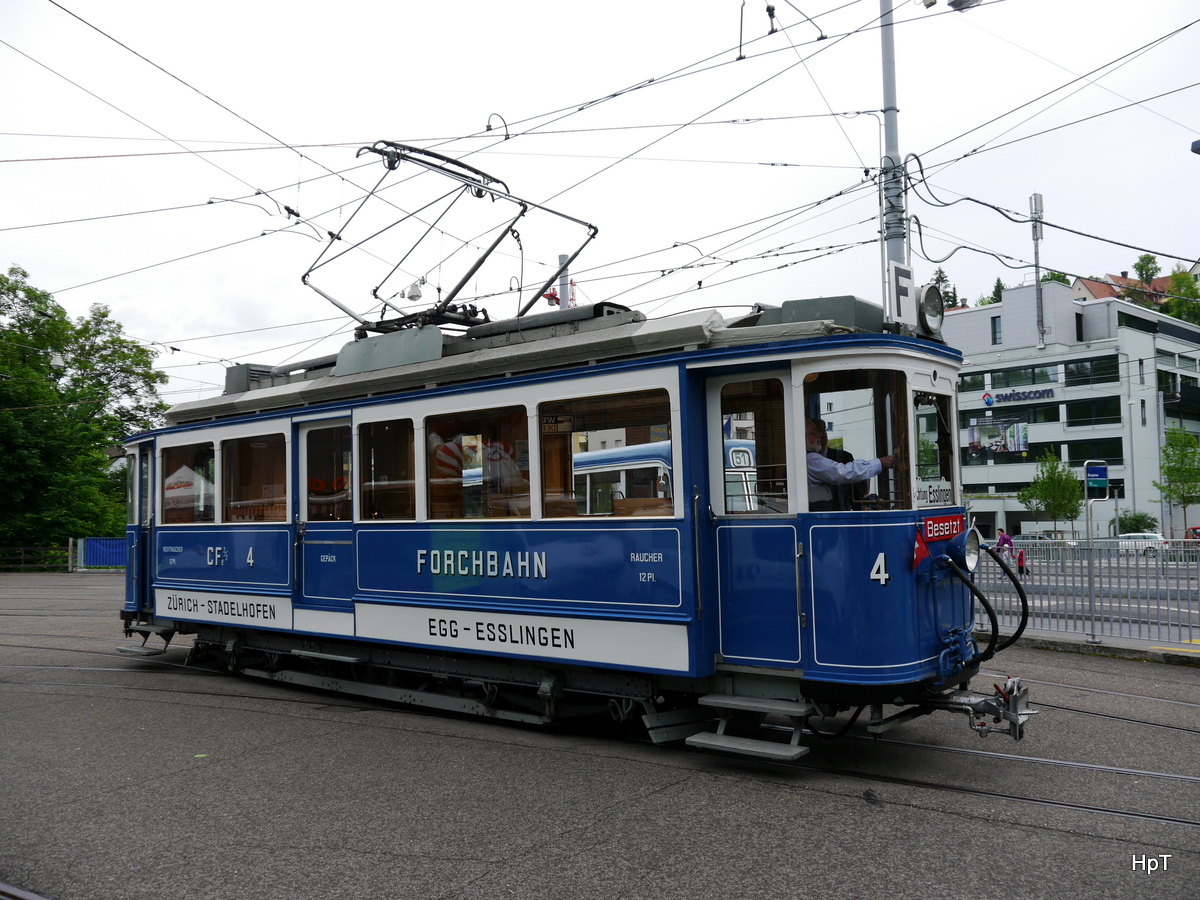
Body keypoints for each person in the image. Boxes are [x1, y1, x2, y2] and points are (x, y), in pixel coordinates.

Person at [805, 420, 897, 510]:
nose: (819, 437)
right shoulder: (809, 458)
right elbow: (842, 473)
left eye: (822, 431)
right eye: (813, 433)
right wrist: (879, 462)